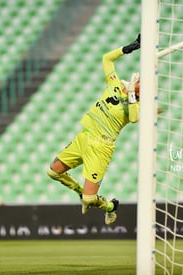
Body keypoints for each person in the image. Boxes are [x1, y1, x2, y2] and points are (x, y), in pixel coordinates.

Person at [47, 34, 141, 225]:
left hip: (101, 147)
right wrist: (129, 47)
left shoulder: (135, 105)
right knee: (53, 172)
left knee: (91, 200)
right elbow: (107, 58)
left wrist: (131, 94)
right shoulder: (114, 84)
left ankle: (110, 207)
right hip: (84, 137)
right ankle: (81, 193)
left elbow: (134, 119)